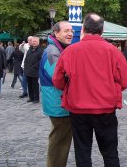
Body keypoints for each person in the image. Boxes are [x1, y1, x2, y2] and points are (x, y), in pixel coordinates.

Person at [52, 13, 127, 167]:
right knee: (110, 153)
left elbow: (57, 80)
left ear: (83, 29)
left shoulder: (70, 51)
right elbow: (125, 82)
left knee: (82, 153)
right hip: (105, 109)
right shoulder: (113, 51)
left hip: (79, 109)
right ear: (102, 30)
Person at [40, 21, 74, 167]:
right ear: (56, 33)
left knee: (60, 139)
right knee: (59, 140)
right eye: (66, 31)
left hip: (57, 101)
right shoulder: (52, 51)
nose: (70, 33)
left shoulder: (57, 48)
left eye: (71, 30)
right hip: (57, 103)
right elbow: (58, 77)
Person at [24, 37, 43, 103]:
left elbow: (41, 61)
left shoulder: (40, 50)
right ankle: (31, 97)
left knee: (35, 85)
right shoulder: (30, 49)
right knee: (29, 84)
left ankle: (36, 98)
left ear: (38, 42)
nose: (34, 42)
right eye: (33, 41)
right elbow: (26, 58)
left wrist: (34, 66)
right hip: (28, 70)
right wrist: (25, 66)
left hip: (35, 70)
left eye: (35, 41)